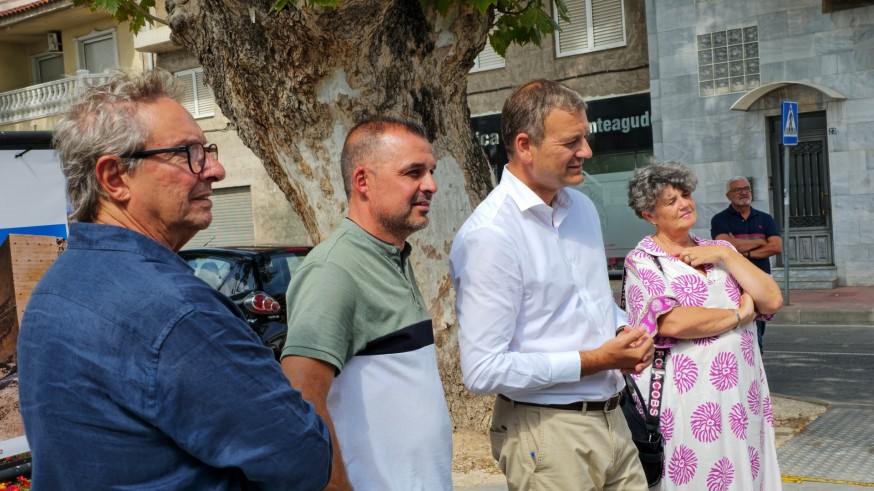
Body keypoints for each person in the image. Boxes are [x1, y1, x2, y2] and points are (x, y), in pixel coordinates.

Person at [17, 70, 332, 490]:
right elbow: (304, 459)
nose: (215, 169)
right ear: (114, 178)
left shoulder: (53, 288)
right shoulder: (178, 313)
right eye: (189, 153)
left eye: (207, 150)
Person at [449, 79, 654, 491]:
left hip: (614, 419)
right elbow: (482, 370)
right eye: (572, 141)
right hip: (548, 433)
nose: (587, 152)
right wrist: (597, 359)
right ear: (525, 146)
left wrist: (619, 333)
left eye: (586, 138)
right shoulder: (491, 235)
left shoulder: (580, 207)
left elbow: (592, 303)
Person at [281, 116, 452, 490]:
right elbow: (300, 402)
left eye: (431, 171)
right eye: (413, 172)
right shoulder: (334, 270)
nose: (431, 185)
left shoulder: (394, 257)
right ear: (363, 182)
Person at [623, 160, 783, 490]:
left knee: (747, 472)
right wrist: (739, 315)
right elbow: (674, 322)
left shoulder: (720, 248)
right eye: (671, 200)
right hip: (692, 402)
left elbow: (771, 299)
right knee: (705, 474)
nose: (684, 203)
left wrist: (726, 257)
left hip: (744, 395)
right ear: (649, 215)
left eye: (685, 194)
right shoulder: (644, 259)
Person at [710, 176, 782, 353]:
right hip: (734, 283)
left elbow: (776, 247)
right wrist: (760, 240)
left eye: (746, 188)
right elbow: (725, 246)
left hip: (761, 281)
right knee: (740, 331)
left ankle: (753, 365)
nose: (743, 192)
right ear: (729, 195)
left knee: (758, 328)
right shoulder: (719, 219)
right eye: (737, 190)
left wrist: (743, 252)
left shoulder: (765, 218)